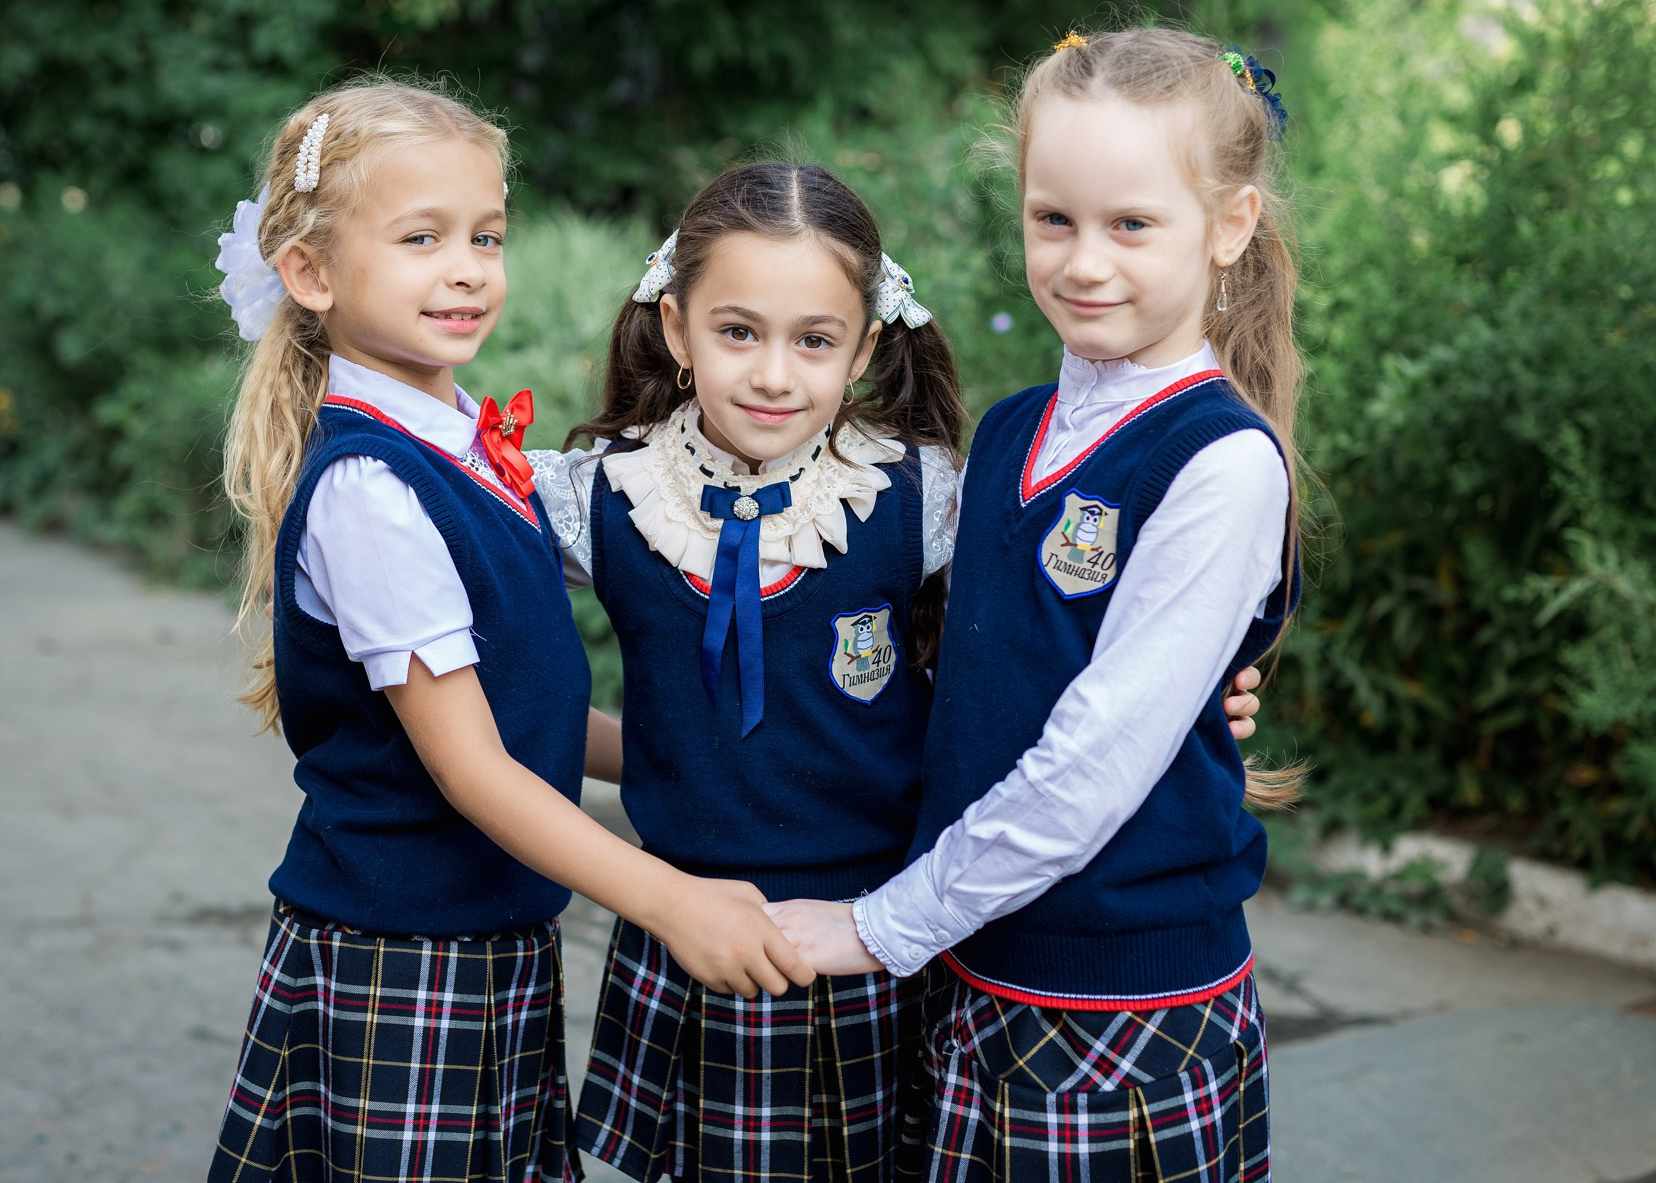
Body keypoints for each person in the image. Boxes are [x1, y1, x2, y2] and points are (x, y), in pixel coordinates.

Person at [526, 161, 1267, 1183]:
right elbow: (467, 624)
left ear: (865, 345)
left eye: (814, 340)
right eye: (737, 331)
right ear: (673, 327)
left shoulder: (920, 495)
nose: (773, 374)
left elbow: (1053, 639)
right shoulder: (597, 496)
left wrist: (1202, 688)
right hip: (690, 934)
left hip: (884, 934)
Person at [205, 78, 811, 1183]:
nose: (467, 266)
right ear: (310, 272)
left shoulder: (460, 445)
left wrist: (692, 753)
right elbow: (475, 767)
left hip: (487, 947)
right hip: (399, 961)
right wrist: (668, 899)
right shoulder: (369, 490)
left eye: (486, 233)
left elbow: (526, 710)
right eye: (420, 236)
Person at [770, 28, 1307, 1183]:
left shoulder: (1219, 462)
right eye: (1051, 218)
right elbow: (969, 663)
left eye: (1130, 224)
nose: (1083, 262)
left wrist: (881, 925)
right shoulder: (1013, 427)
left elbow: (1094, 760)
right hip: (974, 960)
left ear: (1228, 226)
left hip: (1117, 1000)